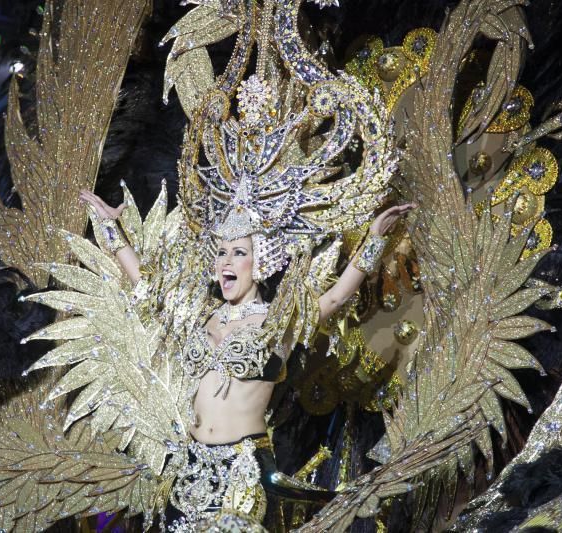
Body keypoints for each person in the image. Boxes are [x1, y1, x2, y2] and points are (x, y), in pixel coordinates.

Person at [80, 189, 414, 531]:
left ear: (260, 263)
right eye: (221, 252)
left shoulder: (279, 320)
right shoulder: (200, 315)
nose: (226, 261)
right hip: (188, 466)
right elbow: (147, 285)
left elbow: (337, 296)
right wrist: (109, 226)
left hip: (242, 466)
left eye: (238, 253)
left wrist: (374, 237)